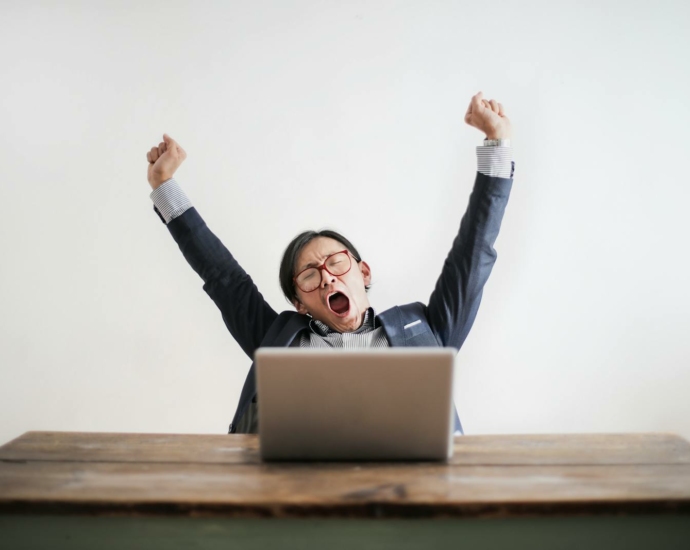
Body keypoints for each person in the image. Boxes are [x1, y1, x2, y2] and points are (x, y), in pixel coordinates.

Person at [145, 91, 514, 434]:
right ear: (298, 302)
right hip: (296, 494)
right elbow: (224, 278)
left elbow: (473, 254)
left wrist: (497, 145)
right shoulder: (277, 342)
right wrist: (164, 185)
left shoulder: (426, 330)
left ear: (363, 272)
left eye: (336, 263)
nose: (325, 278)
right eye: (308, 275)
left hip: (410, 492)